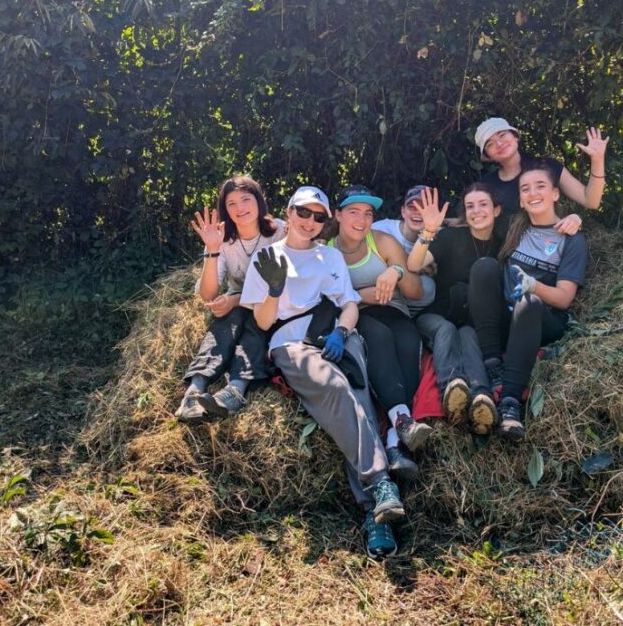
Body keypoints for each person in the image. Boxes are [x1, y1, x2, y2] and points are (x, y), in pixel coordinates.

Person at [240, 185, 406, 560]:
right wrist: (275, 290)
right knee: (334, 387)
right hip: (291, 341)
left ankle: (376, 515)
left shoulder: (330, 256)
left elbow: (349, 304)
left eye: (318, 216)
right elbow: (263, 322)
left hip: (335, 334)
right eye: (303, 212)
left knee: (359, 397)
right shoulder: (268, 257)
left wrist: (342, 332)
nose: (310, 221)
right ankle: (380, 482)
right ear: (289, 212)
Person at [467, 165, 587, 440]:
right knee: (484, 267)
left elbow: (564, 298)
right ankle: (493, 366)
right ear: (520, 200)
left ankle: (510, 403)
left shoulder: (572, 239)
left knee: (529, 302)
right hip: (506, 318)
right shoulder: (514, 225)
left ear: (555, 193)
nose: (533, 193)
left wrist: (534, 287)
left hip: (541, 321)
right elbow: (476, 219)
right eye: (525, 189)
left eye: (540, 186)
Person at [326, 184, 432, 481]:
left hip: (395, 312)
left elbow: (415, 292)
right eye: (353, 212)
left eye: (368, 213)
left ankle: (396, 442)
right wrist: (363, 295)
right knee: (379, 336)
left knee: (408, 341)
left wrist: (396, 271)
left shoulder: (382, 241)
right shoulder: (326, 250)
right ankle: (400, 426)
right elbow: (323, 300)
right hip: (356, 317)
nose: (361, 220)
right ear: (338, 215)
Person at [175, 176, 285, 423]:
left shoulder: (279, 231)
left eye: (246, 199)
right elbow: (208, 294)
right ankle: (194, 391)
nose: (240, 208)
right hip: (238, 303)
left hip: (270, 303)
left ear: (259, 201)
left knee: (255, 330)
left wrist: (234, 299)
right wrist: (213, 249)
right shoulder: (223, 238)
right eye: (231, 203)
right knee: (225, 325)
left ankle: (235, 391)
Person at [407, 185, 503, 436]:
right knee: (447, 329)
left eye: (483, 204)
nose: (476, 211)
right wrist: (429, 230)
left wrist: (573, 218)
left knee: (469, 335)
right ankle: (451, 387)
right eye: (470, 206)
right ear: (464, 213)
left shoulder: (503, 243)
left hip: (470, 321)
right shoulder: (451, 237)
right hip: (436, 315)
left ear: (496, 210)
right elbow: (414, 264)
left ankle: (482, 398)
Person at [474, 117, 607, 236]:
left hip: (549, 247)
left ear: (515, 137)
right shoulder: (486, 185)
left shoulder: (548, 167)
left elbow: (591, 201)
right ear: (488, 156)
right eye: (490, 144)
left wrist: (597, 159)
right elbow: (476, 223)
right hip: (508, 251)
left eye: (502, 135)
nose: (499, 144)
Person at [371, 184, 436, 314]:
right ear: (403, 211)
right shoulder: (381, 229)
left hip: (420, 308)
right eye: (412, 207)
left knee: (428, 285)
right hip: (378, 300)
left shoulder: (440, 236)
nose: (418, 212)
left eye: (424, 208)